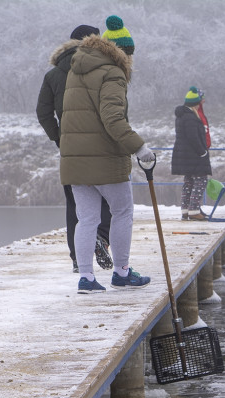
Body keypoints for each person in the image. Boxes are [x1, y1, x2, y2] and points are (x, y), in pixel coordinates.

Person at [59, 15, 152, 293]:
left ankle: (86, 277)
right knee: (122, 211)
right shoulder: (112, 73)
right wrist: (140, 147)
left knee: (86, 218)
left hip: (74, 159)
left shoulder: (76, 69)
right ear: (122, 52)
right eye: (130, 54)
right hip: (105, 158)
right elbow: (113, 119)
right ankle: (122, 272)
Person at [36, 23, 113, 273]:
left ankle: (78, 259)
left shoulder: (53, 74)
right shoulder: (101, 69)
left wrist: (58, 137)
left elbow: (43, 112)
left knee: (74, 203)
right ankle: (101, 236)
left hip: (69, 147)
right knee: (107, 197)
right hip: (100, 144)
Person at [171, 86, 212, 221]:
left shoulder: (182, 115)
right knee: (200, 180)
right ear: (195, 103)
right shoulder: (190, 117)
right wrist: (202, 152)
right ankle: (194, 210)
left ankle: (186, 209)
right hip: (193, 155)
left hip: (184, 155)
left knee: (189, 181)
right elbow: (193, 137)